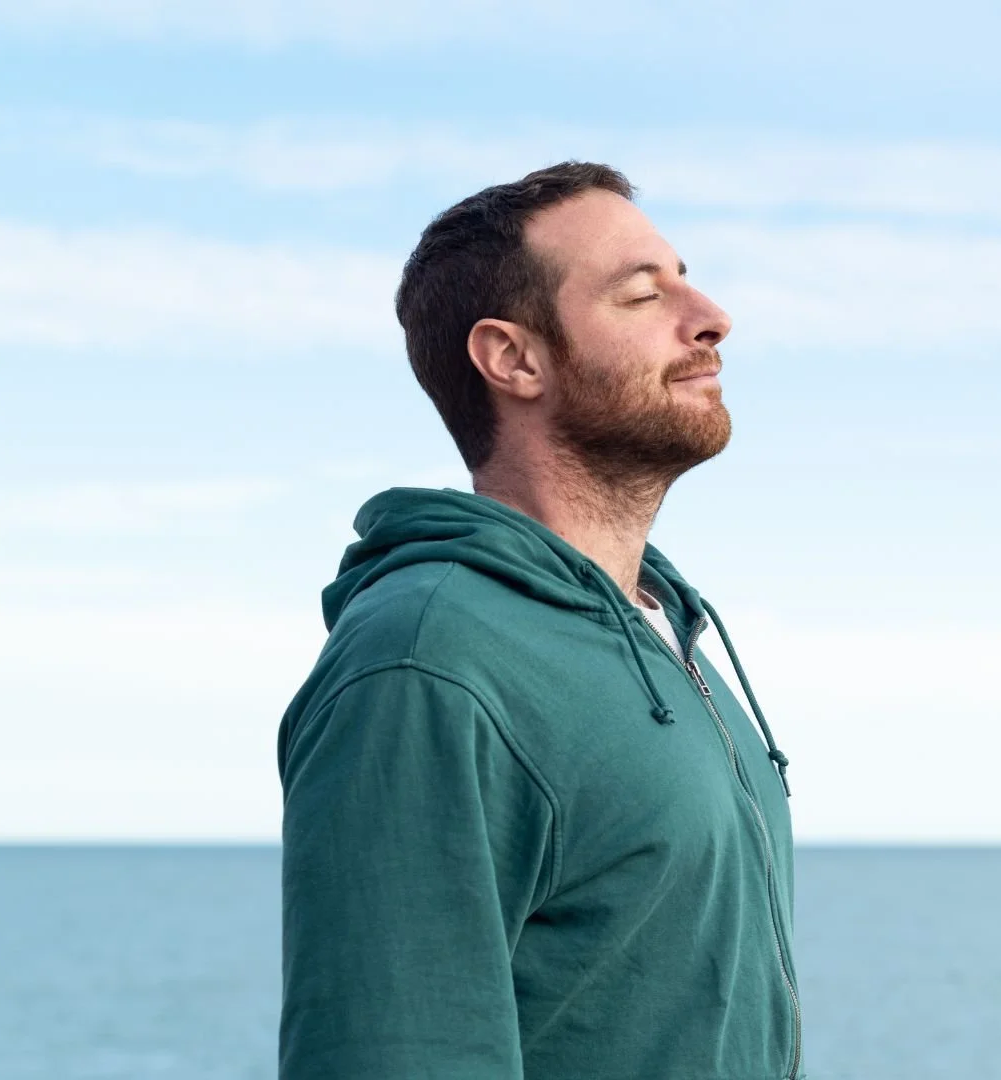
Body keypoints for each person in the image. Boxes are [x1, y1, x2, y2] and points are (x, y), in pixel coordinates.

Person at [276, 162, 802, 1079]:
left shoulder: (669, 643)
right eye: (643, 295)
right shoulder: (426, 662)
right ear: (514, 358)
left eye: (686, 278)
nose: (710, 315)